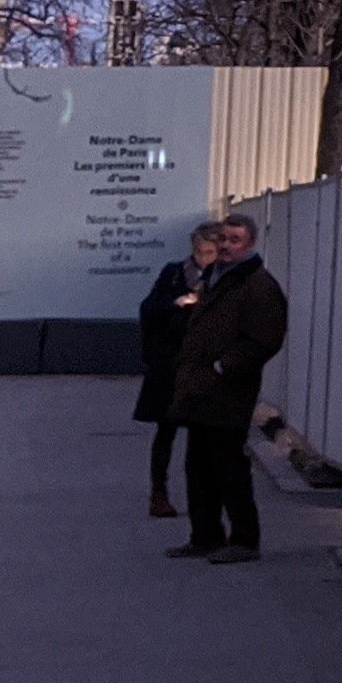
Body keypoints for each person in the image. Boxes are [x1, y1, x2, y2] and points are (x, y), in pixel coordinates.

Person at [167, 211, 286, 564]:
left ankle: (244, 540)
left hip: (228, 388)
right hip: (203, 385)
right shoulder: (219, 277)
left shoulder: (257, 285)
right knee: (198, 464)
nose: (225, 246)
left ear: (250, 243)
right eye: (222, 239)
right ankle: (205, 535)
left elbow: (265, 338)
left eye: (234, 240)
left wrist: (225, 366)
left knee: (228, 465)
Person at [137, 221, 219, 520]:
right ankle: (159, 492)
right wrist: (177, 303)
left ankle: (202, 497)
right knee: (166, 428)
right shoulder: (174, 274)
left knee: (202, 433)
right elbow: (149, 308)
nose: (203, 258)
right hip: (171, 361)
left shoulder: (224, 278)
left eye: (209, 252)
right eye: (198, 251)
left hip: (203, 364)